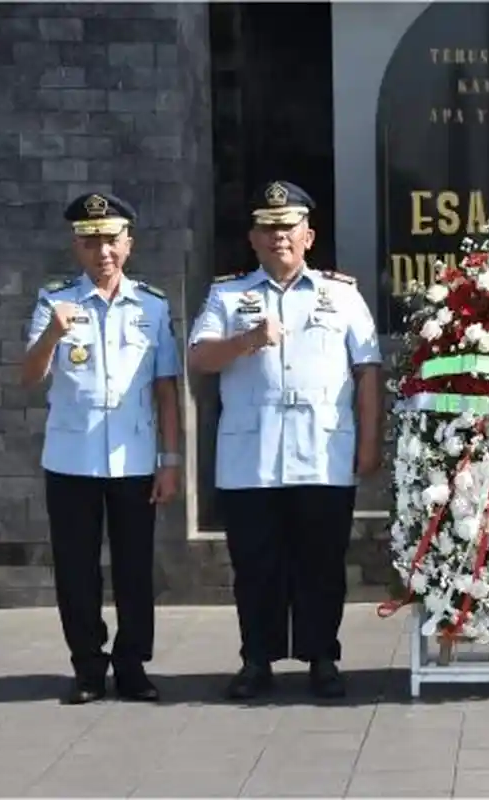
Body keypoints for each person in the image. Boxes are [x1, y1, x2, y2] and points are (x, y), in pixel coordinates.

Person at [187, 180, 382, 700]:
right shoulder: (228, 295)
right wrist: (247, 340)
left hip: (322, 452)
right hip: (251, 454)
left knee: (321, 562)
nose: (279, 238)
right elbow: (199, 359)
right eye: (268, 229)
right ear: (252, 238)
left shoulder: (341, 295)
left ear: (309, 236)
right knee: (255, 565)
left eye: (288, 228)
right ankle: (257, 659)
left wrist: (369, 443)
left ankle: (322, 657)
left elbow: (367, 370)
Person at [20, 192, 182, 705]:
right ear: (77, 247)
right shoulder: (54, 301)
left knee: (135, 568)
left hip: (134, 460)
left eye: (111, 240)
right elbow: (28, 376)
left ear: (128, 244)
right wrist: (52, 332)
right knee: (76, 569)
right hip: (71, 460)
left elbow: (166, 389)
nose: (102, 251)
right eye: (91, 241)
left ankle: (132, 665)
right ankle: (88, 667)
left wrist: (171, 461)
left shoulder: (152, 306)